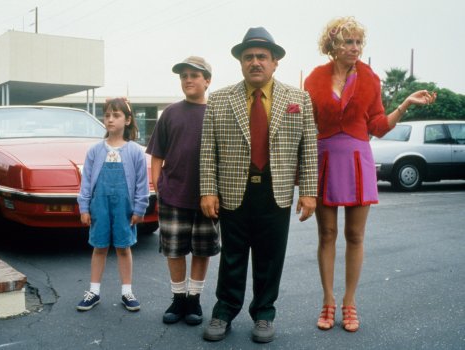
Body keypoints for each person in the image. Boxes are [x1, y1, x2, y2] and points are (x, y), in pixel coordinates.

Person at [304, 16, 437, 332]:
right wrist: (301, 173)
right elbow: (305, 127)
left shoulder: (370, 79)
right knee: (326, 234)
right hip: (323, 159)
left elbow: (377, 126)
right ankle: (327, 300)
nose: (355, 48)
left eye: (358, 42)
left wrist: (404, 104)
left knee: (355, 235)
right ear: (333, 46)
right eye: (348, 42)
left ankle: (349, 302)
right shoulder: (314, 79)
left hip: (357, 159)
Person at [200, 27, 318, 343]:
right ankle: (224, 311)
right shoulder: (220, 99)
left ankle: (264, 314)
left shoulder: (299, 99)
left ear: (274, 62)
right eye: (249, 57)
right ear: (240, 62)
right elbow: (208, 149)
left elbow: (308, 147)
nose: (255, 62)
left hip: (275, 190)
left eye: (262, 57)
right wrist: (208, 189)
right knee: (232, 256)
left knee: (270, 257)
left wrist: (308, 191)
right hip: (233, 189)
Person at [146, 56, 220, 326]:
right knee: (174, 251)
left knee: (201, 250)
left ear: (207, 81)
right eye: (183, 76)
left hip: (206, 197)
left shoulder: (216, 113)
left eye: (194, 75)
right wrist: (159, 187)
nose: (188, 79)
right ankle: (178, 298)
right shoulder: (170, 113)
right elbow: (156, 155)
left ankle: (194, 299)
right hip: (173, 194)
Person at [76, 97, 149, 313]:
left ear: (127, 120)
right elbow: (87, 182)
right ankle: (93, 291)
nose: (110, 119)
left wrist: (139, 208)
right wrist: (84, 207)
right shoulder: (95, 151)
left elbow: (142, 184)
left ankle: (127, 291)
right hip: (100, 206)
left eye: (116, 115)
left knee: (123, 248)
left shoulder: (135, 151)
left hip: (124, 208)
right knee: (99, 247)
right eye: (107, 115)